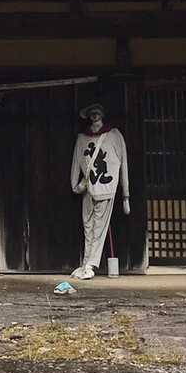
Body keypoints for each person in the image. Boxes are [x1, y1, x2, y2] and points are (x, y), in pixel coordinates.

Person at [69, 101, 130, 280]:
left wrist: (126, 195)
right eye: (92, 112)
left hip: (106, 188)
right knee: (88, 226)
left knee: (99, 228)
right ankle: (85, 263)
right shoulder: (82, 138)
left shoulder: (114, 135)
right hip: (88, 188)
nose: (95, 115)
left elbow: (123, 164)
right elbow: (76, 163)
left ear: (102, 114)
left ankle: (91, 264)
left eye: (97, 112)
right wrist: (75, 186)